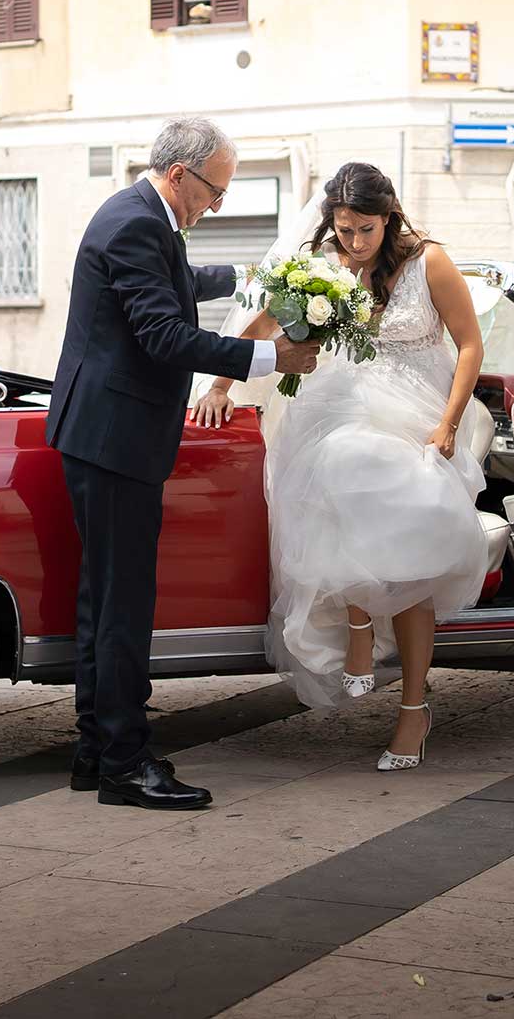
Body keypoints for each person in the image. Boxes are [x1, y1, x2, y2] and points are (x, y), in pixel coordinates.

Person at [47, 117, 320, 810]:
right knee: (123, 607)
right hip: (116, 439)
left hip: (103, 434)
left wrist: (251, 279)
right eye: (215, 193)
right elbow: (165, 335)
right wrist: (270, 358)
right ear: (179, 176)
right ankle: (125, 763)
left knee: (101, 600)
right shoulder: (137, 222)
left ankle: (96, 750)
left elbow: (174, 280)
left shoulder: (137, 216)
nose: (215, 205)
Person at [192, 162, 491, 770]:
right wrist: (220, 383)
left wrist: (448, 426)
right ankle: (358, 629)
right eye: (345, 229)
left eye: (366, 231)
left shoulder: (429, 261)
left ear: (390, 218)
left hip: (422, 414)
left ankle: (413, 710)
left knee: (411, 562)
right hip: (342, 407)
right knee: (341, 465)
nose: (354, 244)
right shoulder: (324, 261)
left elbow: (469, 345)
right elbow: (269, 321)